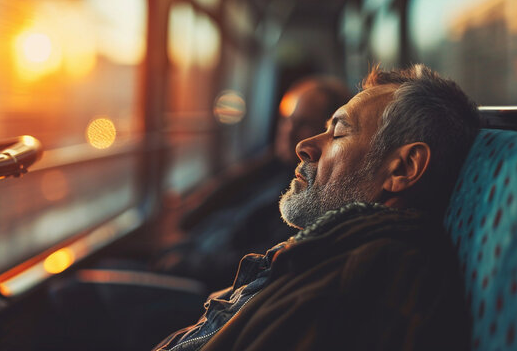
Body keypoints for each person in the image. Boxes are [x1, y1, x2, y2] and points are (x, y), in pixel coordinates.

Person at [154, 64, 479, 350]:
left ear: (403, 169)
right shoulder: (330, 249)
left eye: (337, 132)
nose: (303, 146)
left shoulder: (356, 283)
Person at [151, 76, 352, 291]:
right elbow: (196, 216)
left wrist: (182, 262)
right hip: (190, 257)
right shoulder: (268, 169)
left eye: (303, 123)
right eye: (285, 119)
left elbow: (258, 262)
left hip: (204, 287)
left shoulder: (307, 198)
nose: (288, 131)